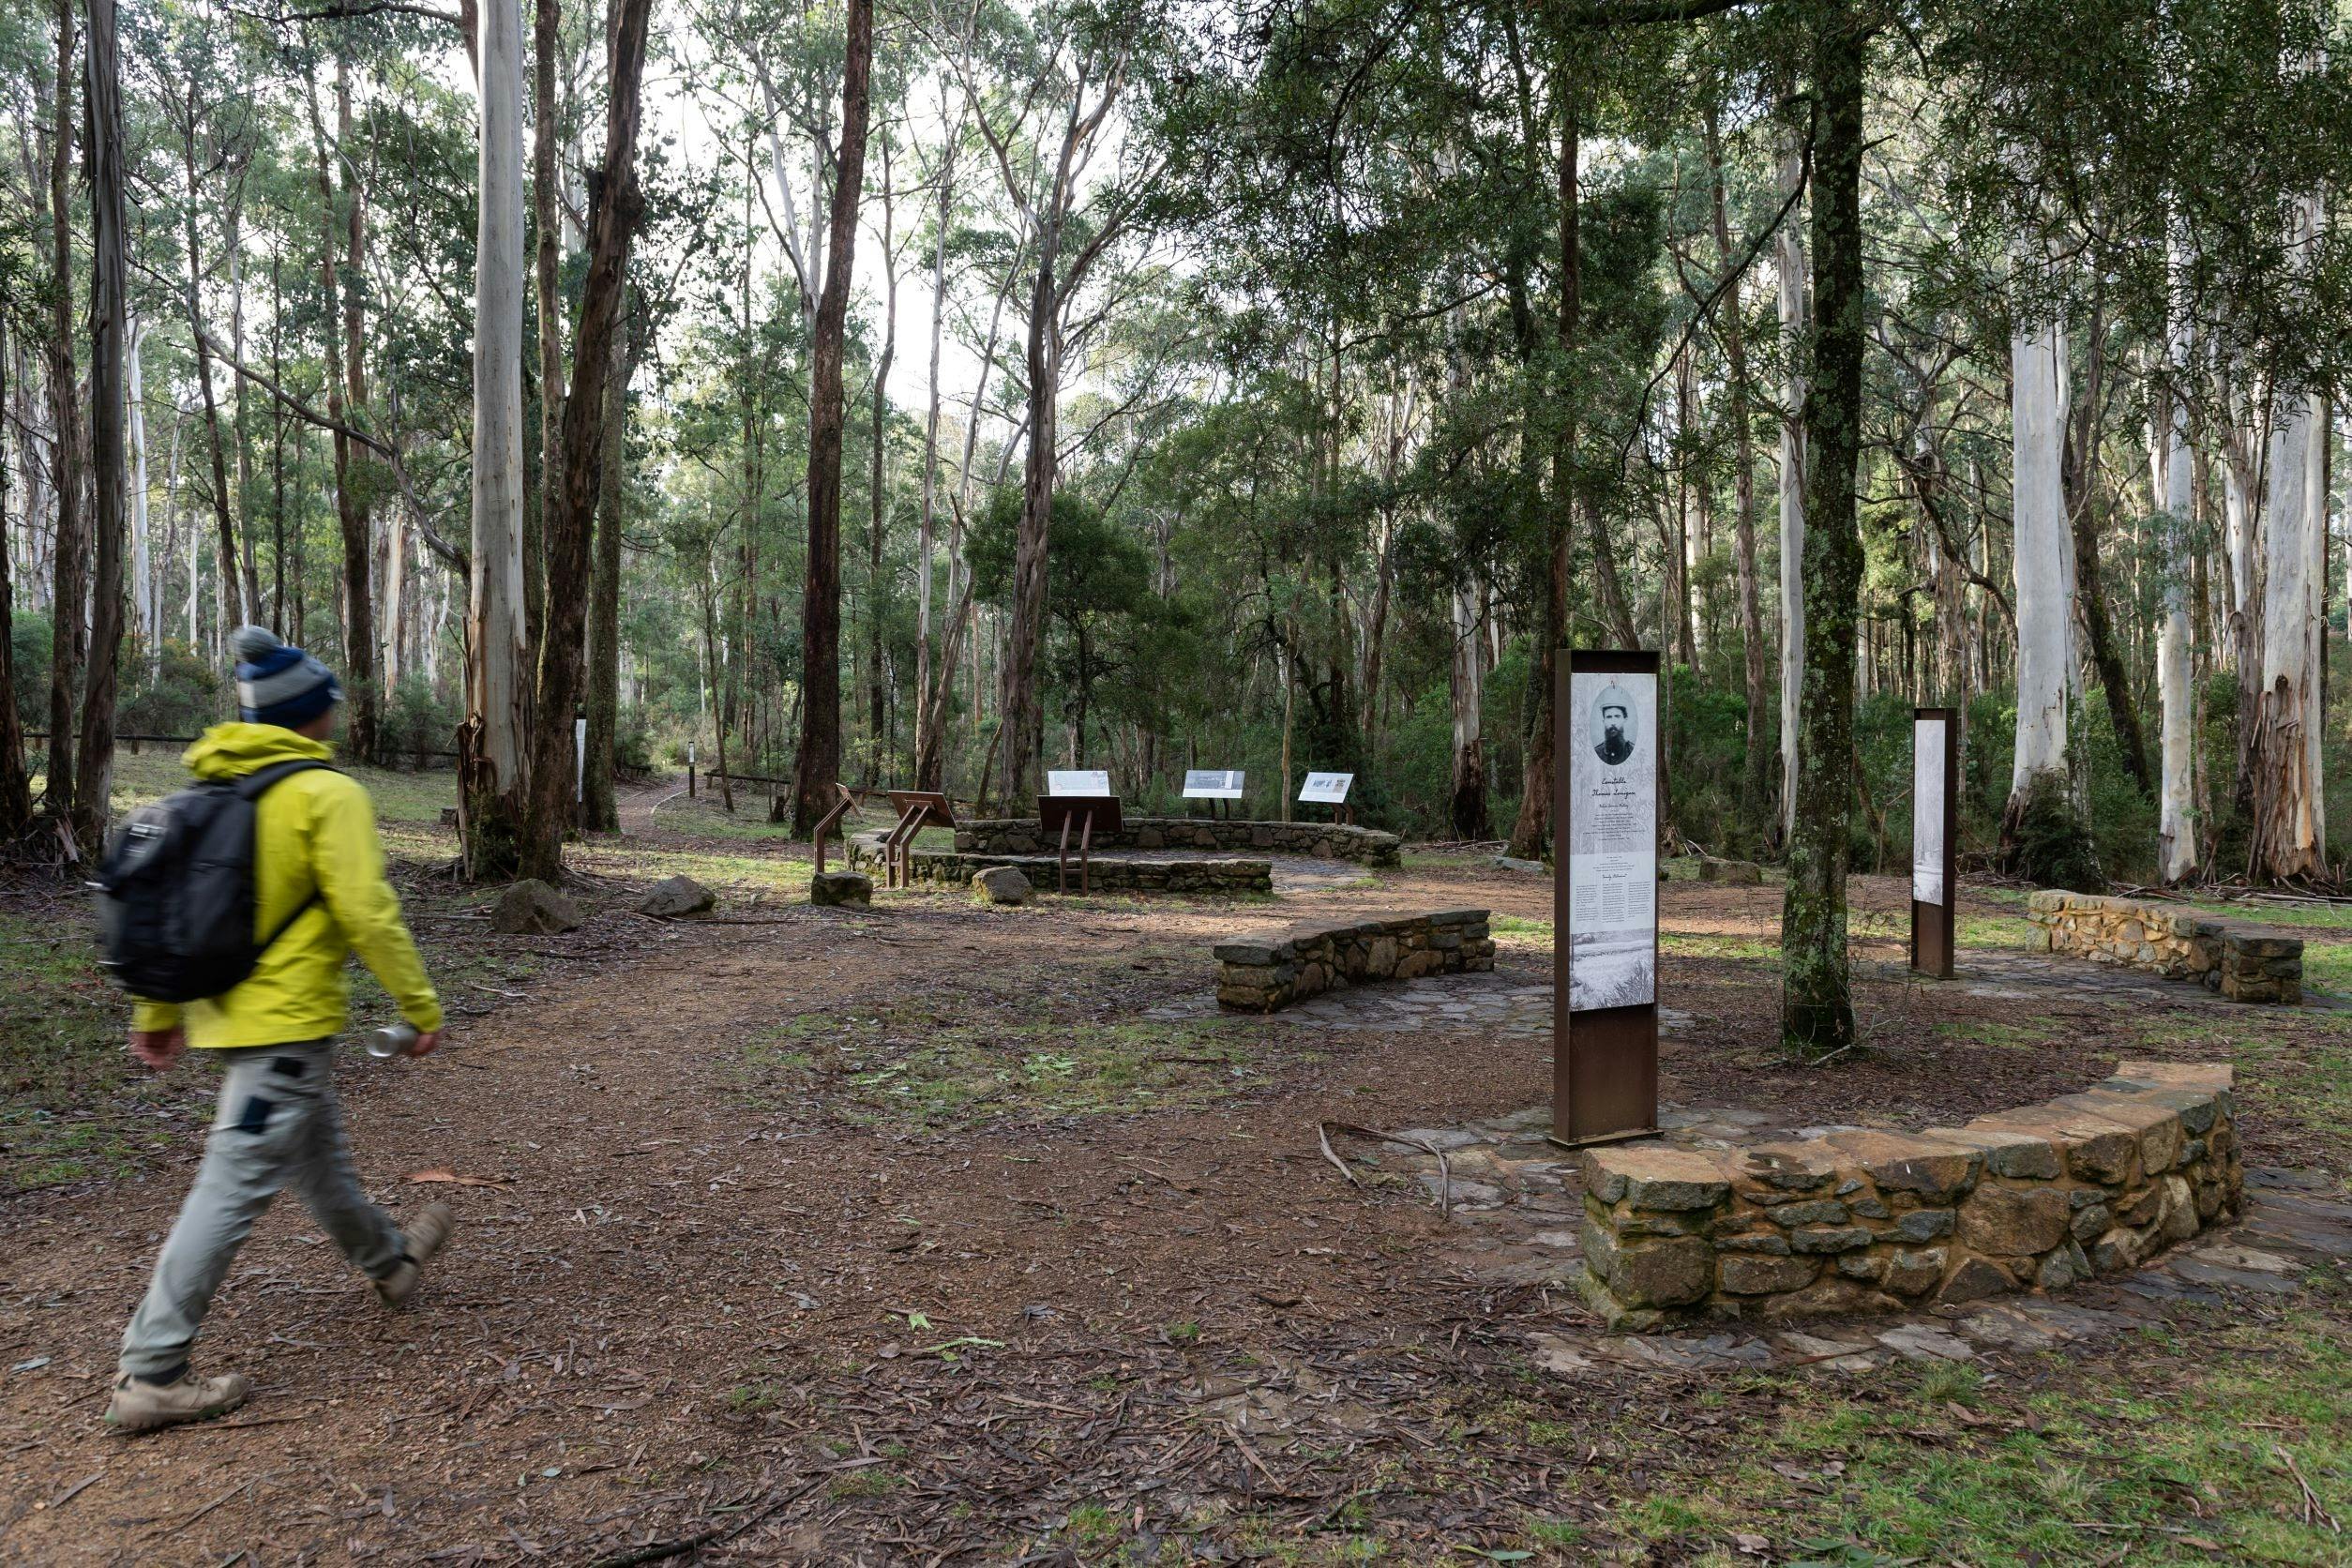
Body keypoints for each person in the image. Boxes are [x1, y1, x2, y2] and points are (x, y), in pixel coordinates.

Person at [107, 626, 455, 1433]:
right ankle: (151, 1369)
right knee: (231, 1185)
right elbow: (368, 911)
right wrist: (420, 1009)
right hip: (285, 1027)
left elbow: (164, 911)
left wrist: (157, 1016)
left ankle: (392, 1264)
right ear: (312, 714)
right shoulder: (327, 796)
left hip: (231, 1018)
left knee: (318, 1157)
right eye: (328, 700)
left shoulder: (207, 792)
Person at [1592, 686, 1636, 767]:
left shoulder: (1632, 750)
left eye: (1617, 716)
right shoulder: (1596, 752)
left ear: (1624, 719)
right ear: (1604, 721)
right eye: (1609, 717)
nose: (1613, 722)